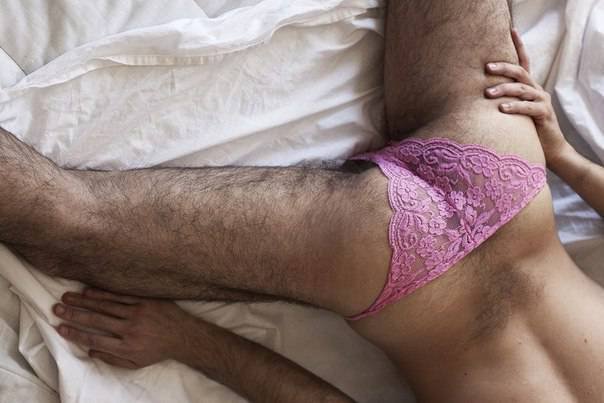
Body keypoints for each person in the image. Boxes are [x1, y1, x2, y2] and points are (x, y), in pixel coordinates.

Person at [0, 0, 603, 401]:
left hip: (501, 183)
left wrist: (563, 159)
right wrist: (187, 340)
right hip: (388, 267)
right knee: (69, 218)